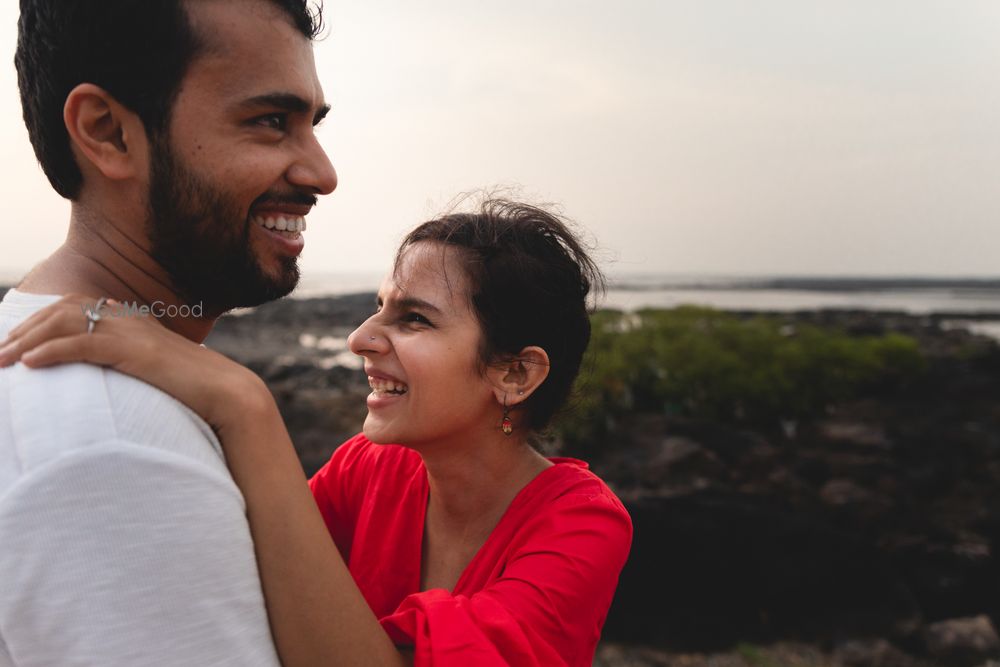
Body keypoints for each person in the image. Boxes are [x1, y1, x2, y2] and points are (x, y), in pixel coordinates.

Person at [0, 198, 633, 666]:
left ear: (516, 374)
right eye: (378, 305)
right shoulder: (371, 467)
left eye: (413, 318)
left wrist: (244, 403)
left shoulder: (583, 525)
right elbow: (248, 570)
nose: (361, 338)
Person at [0, 0, 336, 663]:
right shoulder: (119, 454)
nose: (321, 172)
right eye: (271, 122)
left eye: (312, 125)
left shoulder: (31, 345)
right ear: (107, 132)